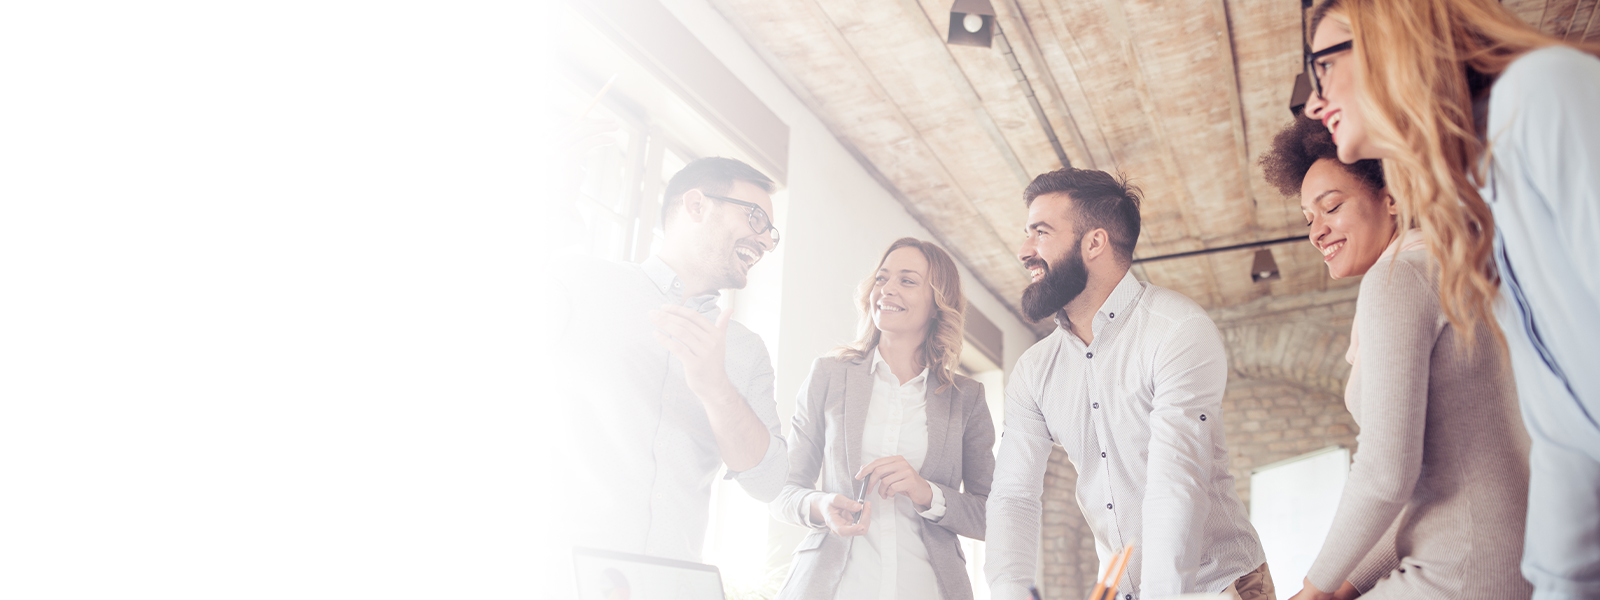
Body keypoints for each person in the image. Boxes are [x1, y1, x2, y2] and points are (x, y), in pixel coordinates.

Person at [1300, 2, 1600, 596]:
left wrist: (1315, 589)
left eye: (1324, 67)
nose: (1314, 101)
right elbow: (1561, 432)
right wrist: (1559, 584)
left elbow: (1388, 474)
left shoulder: (1541, 94)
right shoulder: (1476, 220)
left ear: (1389, 42)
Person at [1261, 116, 1532, 600]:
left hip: (1464, 569)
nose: (1316, 232)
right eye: (1308, 219)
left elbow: (1386, 475)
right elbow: (1424, 484)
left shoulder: (1399, 279)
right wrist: (1342, 587)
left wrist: (1313, 588)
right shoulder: (1446, 267)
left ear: (1392, 197)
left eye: (1331, 207)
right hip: (1500, 556)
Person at [985, 168, 1271, 600]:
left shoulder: (1177, 329)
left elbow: (1176, 480)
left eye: (1041, 232)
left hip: (1219, 586)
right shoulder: (1033, 371)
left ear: (1094, 242)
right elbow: (1013, 494)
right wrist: (1010, 591)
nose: (1025, 251)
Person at [543, 156, 788, 563]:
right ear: (697, 205)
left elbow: (769, 482)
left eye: (770, 233)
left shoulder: (746, 350)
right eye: (756, 219)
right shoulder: (580, 282)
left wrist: (717, 390)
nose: (765, 241)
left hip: (675, 581)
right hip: (562, 573)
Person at [771, 237, 994, 600]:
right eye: (881, 278)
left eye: (907, 280)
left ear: (937, 304)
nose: (887, 289)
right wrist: (821, 505)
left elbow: (991, 515)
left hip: (927, 589)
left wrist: (927, 492)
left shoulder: (966, 398)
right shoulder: (829, 374)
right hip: (834, 589)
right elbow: (783, 490)